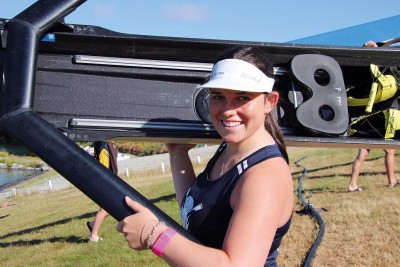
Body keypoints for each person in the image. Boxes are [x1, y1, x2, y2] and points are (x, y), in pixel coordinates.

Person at [116, 46, 294, 266]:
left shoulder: (264, 175)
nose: (228, 110)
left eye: (242, 97)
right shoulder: (230, 150)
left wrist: (154, 235)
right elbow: (195, 210)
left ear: (270, 102)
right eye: (218, 96)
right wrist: (178, 153)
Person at [348, 40, 400, 192]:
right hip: (375, 118)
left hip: (371, 117)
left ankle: (353, 184)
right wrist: (374, 50)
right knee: (388, 151)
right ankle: (391, 181)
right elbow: (377, 67)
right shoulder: (378, 77)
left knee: (365, 153)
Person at [87, 141, 118, 242]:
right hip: (104, 182)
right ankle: (93, 236)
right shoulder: (103, 145)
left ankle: (93, 224)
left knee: (112, 208)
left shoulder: (108, 144)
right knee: (104, 210)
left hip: (109, 181)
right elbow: (103, 168)